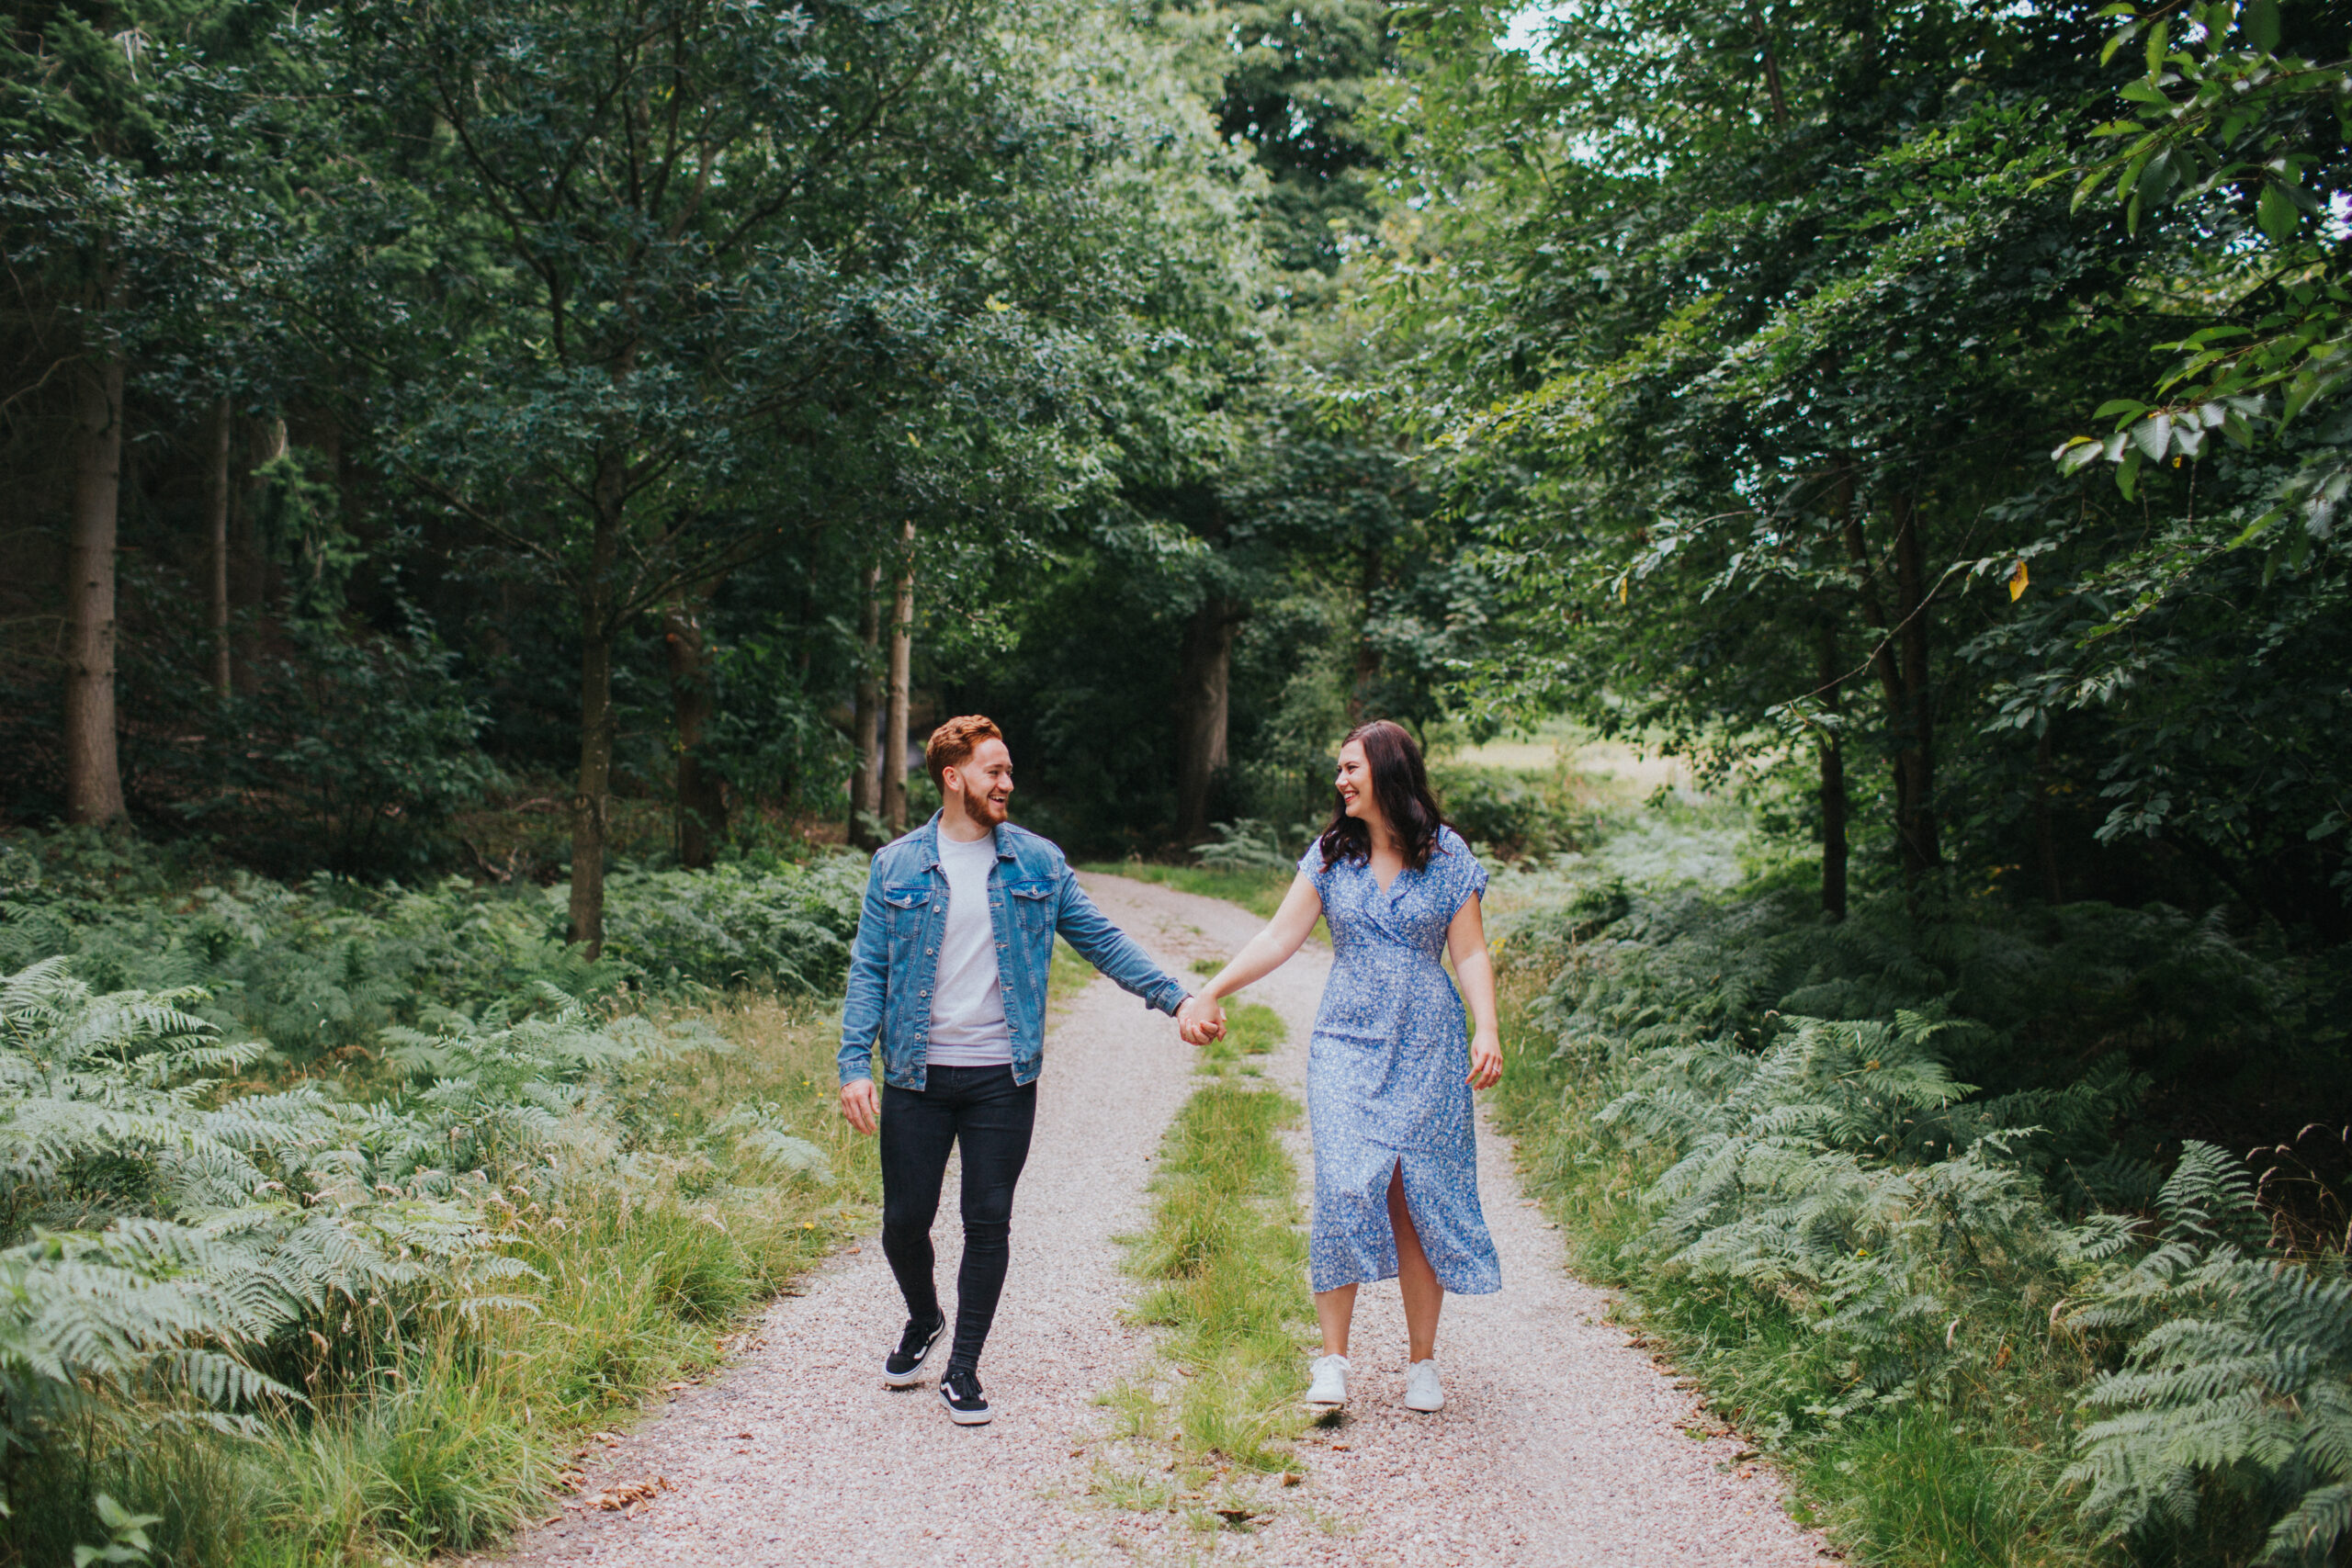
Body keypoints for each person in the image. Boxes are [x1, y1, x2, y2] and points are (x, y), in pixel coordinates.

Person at [838, 715, 1224, 1426]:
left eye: (1009, 771)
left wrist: (1177, 998)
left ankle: (964, 1367)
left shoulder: (1038, 864)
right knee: (903, 1223)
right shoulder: (895, 865)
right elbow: (870, 967)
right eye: (994, 771)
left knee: (988, 1221)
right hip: (915, 1077)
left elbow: (1102, 940)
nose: (1007, 782)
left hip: (999, 1076)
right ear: (954, 778)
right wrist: (853, 1062)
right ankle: (925, 1318)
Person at [1185, 718, 1502, 1414]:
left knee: (1414, 1199)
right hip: (1347, 1041)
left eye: (1352, 768)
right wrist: (1212, 987)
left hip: (1427, 1043)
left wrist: (1488, 1025)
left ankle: (1422, 1363)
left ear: (1389, 771)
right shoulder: (1331, 854)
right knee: (1341, 1185)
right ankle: (1332, 1360)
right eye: (1339, 769)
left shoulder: (1446, 854)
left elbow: (1470, 953)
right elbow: (1278, 935)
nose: (1341, 780)